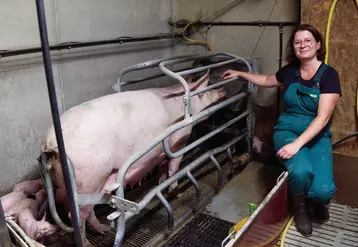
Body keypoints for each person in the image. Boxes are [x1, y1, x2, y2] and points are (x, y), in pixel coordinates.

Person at [221, 24, 341, 237]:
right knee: (301, 170)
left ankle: (315, 200)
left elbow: (322, 118)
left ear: (318, 44)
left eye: (307, 40)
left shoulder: (329, 75)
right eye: (297, 42)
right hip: (287, 130)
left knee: (324, 191)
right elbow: (267, 80)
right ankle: (300, 209)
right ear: (293, 47)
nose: (302, 45)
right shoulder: (289, 72)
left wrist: (297, 145)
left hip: (316, 135)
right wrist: (241, 74)